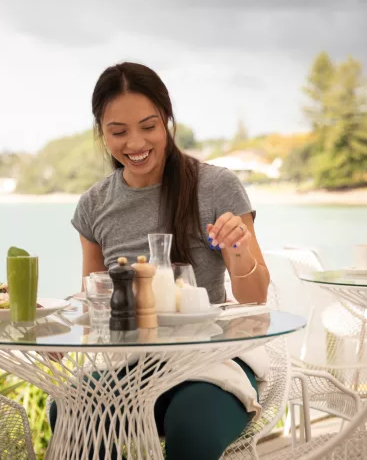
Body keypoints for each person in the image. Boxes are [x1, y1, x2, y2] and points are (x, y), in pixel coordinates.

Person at [51, 62, 272, 459]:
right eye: (118, 132)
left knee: (191, 428)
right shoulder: (94, 205)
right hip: (134, 365)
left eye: (148, 127)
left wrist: (237, 251)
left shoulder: (215, 186)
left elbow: (255, 298)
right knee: (70, 413)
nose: (135, 143)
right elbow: (94, 298)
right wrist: (61, 329)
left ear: (167, 122)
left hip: (211, 362)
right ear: (102, 133)